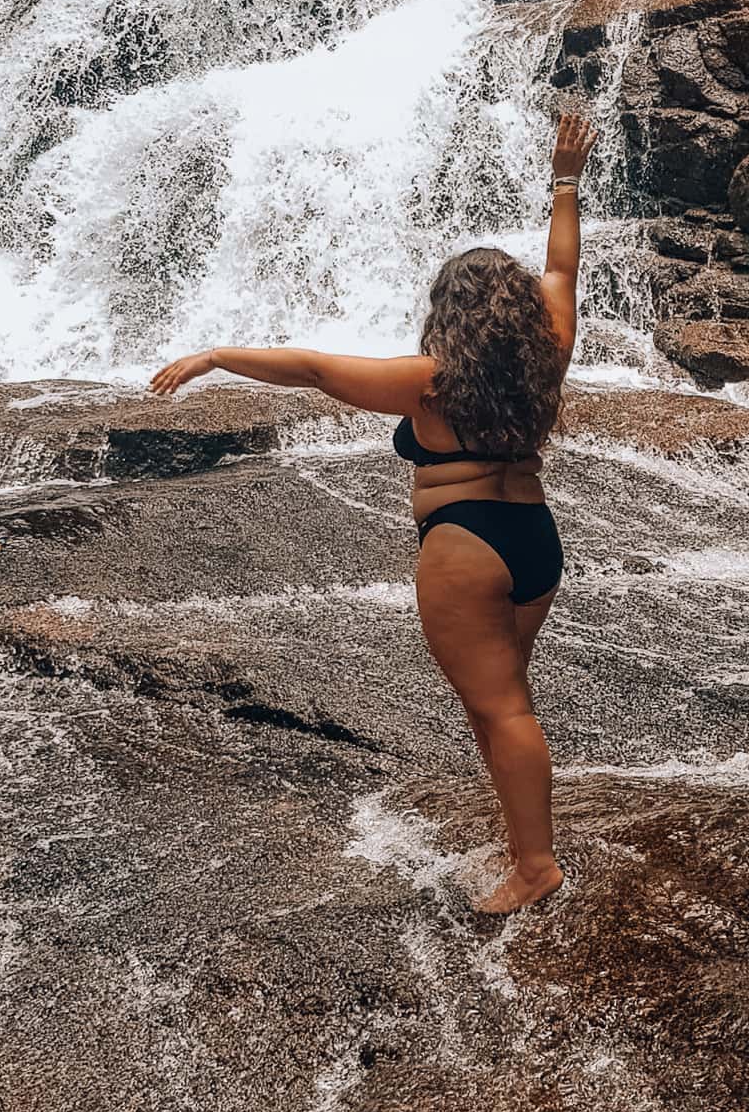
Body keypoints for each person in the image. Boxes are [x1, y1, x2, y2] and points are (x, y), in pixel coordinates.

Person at [149, 112, 598, 914]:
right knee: (500, 698)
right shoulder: (551, 350)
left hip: (466, 547)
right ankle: (522, 838)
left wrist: (218, 355)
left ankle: (538, 866)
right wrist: (566, 182)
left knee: (500, 704)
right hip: (534, 541)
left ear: (450, 315)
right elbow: (561, 271)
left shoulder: (431, 380)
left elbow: (316, 368)